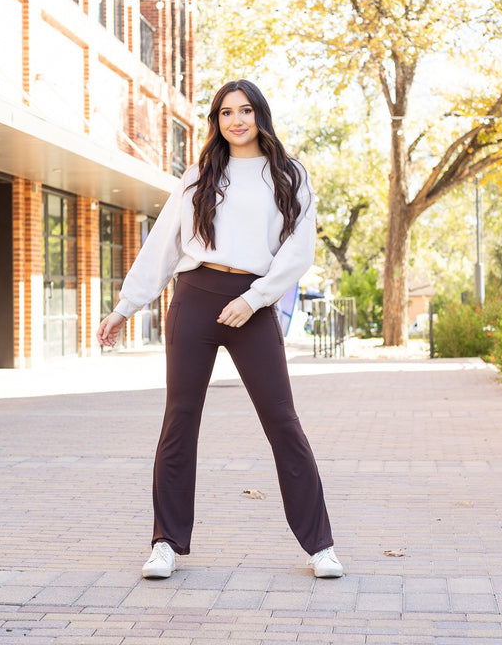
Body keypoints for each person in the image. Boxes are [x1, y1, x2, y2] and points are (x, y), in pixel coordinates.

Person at [96, 79, 342, 580]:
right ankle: (165, 542)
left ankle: (320, 546)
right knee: (179, 420)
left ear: (260, 116)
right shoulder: (200, 176)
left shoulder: (290, 176)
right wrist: (125, 307)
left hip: (253, 301)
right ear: (217, 122)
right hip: (195, 297)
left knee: (282, 422)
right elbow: (163, 245)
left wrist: (253, 300)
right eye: (226, 112)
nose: (236, 120)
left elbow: (298, 252)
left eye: (246, 110)